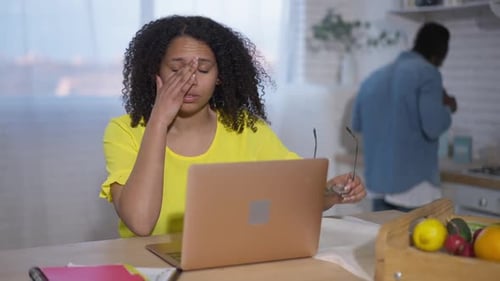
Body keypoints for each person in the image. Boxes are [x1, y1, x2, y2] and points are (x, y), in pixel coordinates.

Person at [100, 15, 367, 238]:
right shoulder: (124, 131)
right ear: (154, 72)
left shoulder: (246, 129)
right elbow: (141, 223)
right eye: (176, 69)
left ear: (219, 77)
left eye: (203, 70)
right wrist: (158, 120)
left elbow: (292, 196)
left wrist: (330, 193)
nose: (190, 81)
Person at [352, 22, 457, 212]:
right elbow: (433, 127)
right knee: (416, 240)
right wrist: (448, 107)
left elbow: (357, 124)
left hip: (379, 182)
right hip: (414, 186)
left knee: (385, 240)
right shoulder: (428, 73)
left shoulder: (375, 77)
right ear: (442, 50)